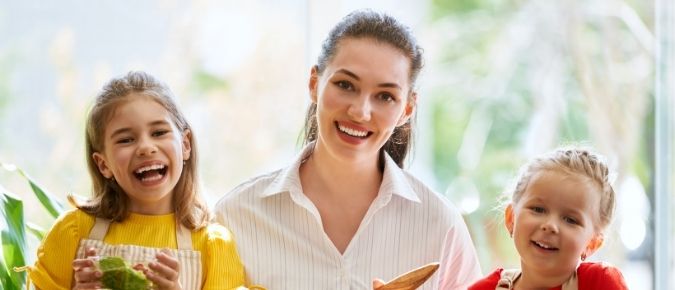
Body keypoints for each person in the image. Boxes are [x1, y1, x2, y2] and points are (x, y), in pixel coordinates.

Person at [215, 9, 481, 290]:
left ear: (407, 108)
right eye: (345, 84)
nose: (360, 111)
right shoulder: (236, 216)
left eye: (385, 96)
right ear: (314, 84)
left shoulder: (440, 225)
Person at [27, 71, 247, 290]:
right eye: (126, 139)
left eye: (159, 132)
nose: (145, 147)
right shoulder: (73, 230)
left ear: (185, 144)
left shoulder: (213, 245)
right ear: (103, 164)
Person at [468, 147, 628, 290]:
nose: (550, 225)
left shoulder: (599, 283)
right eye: (538, 209)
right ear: (511, 218)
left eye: (570, 220)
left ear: (592, 243)